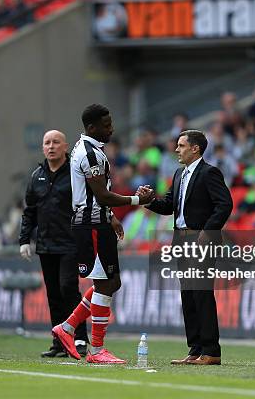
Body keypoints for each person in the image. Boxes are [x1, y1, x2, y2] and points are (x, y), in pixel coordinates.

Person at [51, 104, 154, 364]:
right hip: (90, 226)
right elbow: (101, 195)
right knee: (105, 284)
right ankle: (96, 350)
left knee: (111, 282)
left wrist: (111, 217)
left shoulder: (91, 149)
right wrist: (136, 200)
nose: (112, 128)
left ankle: (67, 328)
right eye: (106, 125)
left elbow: (98, 196)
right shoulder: (90, 154)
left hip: (98, 221)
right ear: (92, 127)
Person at [145, 130, 232, 365]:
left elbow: (224, 204)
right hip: (181, 241)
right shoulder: (179, 174)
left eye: (181, 145)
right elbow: (168, 206)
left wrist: (207, 230)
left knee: (202, 294)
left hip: (200, 240)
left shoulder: (209, 172)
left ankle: (211, 351)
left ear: (195, 149)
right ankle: (195, 349)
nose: (176, 150)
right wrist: (148, 200)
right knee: (188, 295)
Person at [19, 130, 89, 358]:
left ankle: (79, 338)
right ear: (42, 148)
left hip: (70, 242)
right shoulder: (36, 175)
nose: (51, 146)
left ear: (65, 146)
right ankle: (59, 341)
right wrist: (24, 240)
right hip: (45, 245)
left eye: (56, 142)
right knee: (53, 294)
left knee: (68, 288)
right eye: (47, 143)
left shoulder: (75, 173)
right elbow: (29, 211)